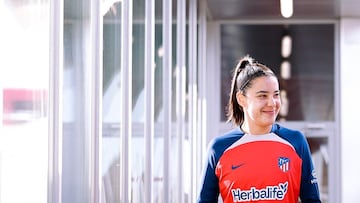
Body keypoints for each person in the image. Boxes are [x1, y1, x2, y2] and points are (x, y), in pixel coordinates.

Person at [197, 55, 321, 203]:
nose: (272, 103)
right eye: (262, 96)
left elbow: (312, 200)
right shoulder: (218, 148)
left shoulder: (295, 142)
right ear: (241, 99)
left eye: (276, 95)